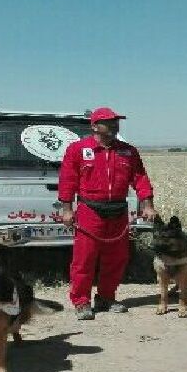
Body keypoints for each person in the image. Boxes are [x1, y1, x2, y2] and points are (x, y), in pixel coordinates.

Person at [58, 106, 157, 320]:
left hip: (118, 211)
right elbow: (67, 181)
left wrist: (147, 205)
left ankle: (106, 297)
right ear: (95, 126)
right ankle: (81, 301)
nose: (114, 125)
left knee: (116, 258)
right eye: (109, 122)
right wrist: (67, 210)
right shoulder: (77, 149)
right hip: (89, 210)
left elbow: (140, 179)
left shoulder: (128, 151)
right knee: (85, 259)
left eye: (116, 122)